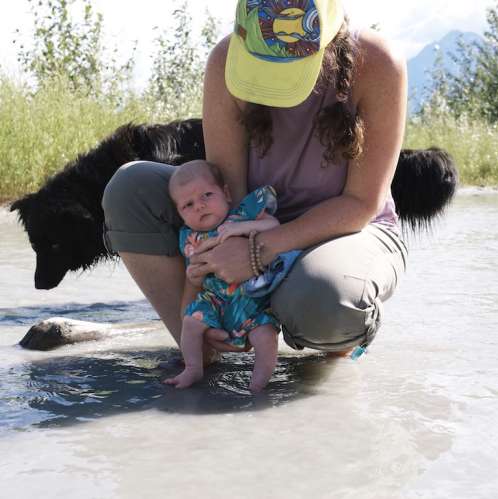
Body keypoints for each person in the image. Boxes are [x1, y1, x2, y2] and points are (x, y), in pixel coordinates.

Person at [102, 0, 408, 371]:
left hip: (347, 229)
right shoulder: (224, 61)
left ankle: (338, 336)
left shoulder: (377, 63)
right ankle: (204, 345)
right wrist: (201, 287)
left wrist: (258, 251)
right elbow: (225, 189)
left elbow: (360, 203)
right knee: (130, 188)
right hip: (249, 216)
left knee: (328, 300)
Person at [164, 159, 297, 391]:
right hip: (215, 300)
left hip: (253, 299)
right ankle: (193, 368)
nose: (199, 206)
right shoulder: (188, 237)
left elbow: (274, 226)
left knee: (265, 336)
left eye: (207, 195)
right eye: (188, 205)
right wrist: (193, 277)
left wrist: (242, 229)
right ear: (180, 214)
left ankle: (259, 381)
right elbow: (194, 273)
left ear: (225, 193)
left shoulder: (241, 216)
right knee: (190, 323)